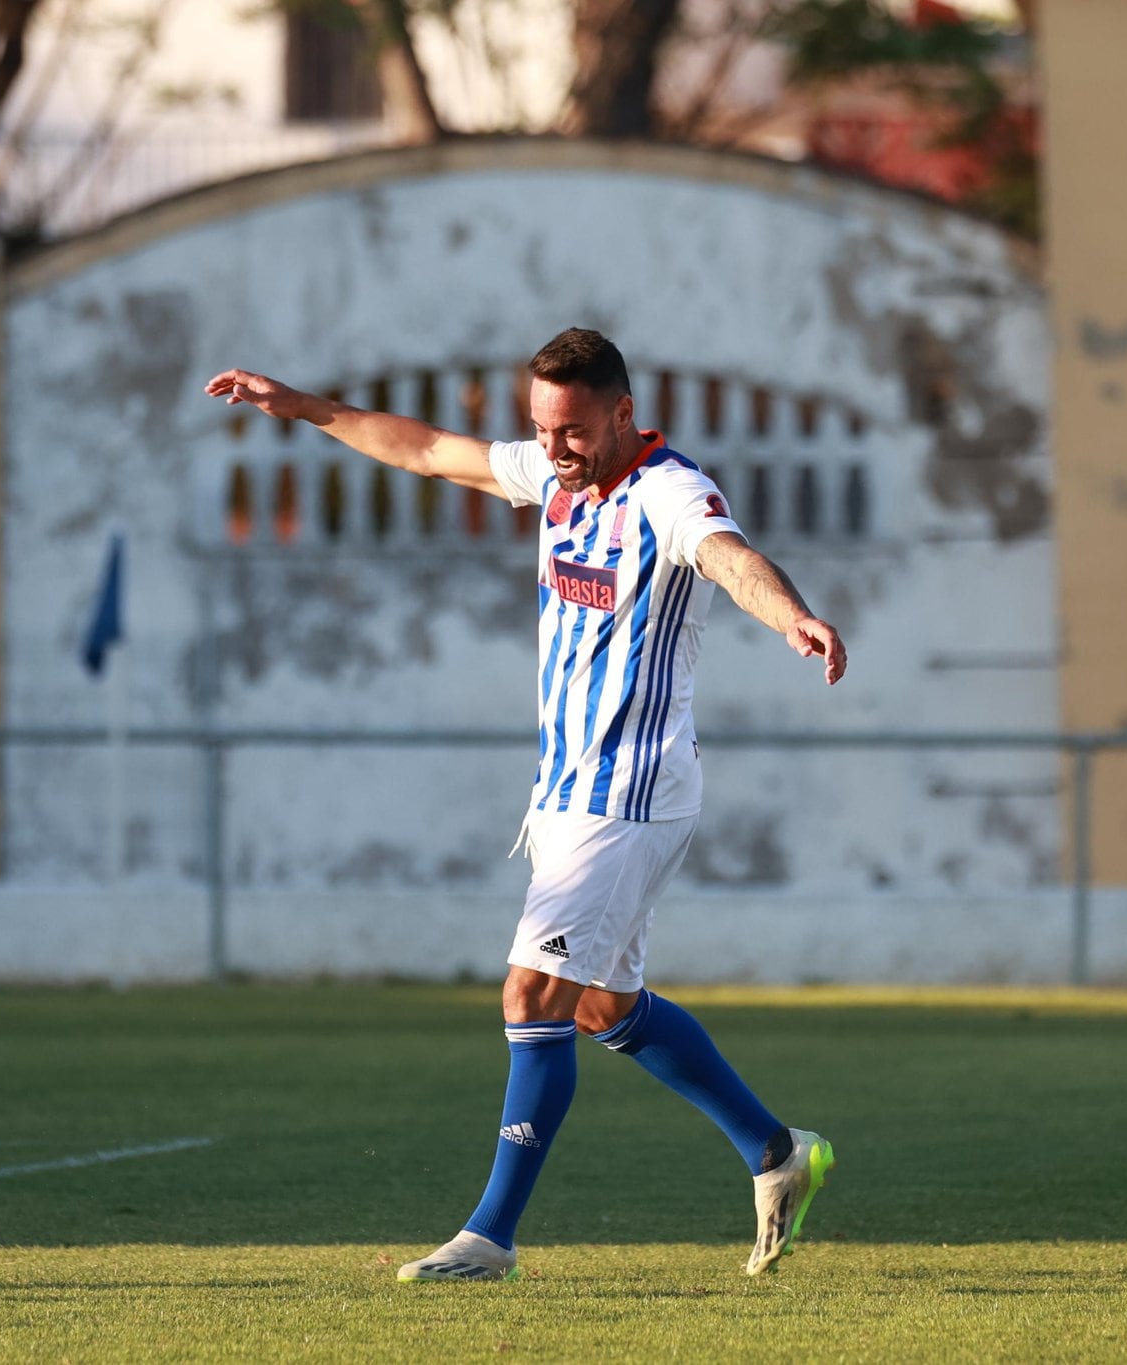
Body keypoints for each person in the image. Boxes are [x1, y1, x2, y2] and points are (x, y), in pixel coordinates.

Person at [205, 327, 847, 1283]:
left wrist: (792, 614)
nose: (555, 447)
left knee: (529, 992)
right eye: (542, 428)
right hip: (567, 791)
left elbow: (728, 555)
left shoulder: (669, 493)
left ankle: (489, 1236)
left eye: (576, 429)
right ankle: (776, 1151)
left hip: (628, 791)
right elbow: (424, 448)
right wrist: (301, 406)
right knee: (600, 1006)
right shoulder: (552, 478)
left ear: (623, 415)